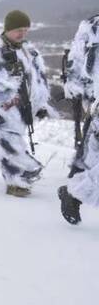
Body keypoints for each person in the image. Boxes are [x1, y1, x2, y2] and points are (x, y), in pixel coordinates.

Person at [0, 10, 56, 197]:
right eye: (18, 30)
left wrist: (41, 104)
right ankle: (17, 181)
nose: (22, 34)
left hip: (21, 105)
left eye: (25, 30)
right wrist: (7, 88)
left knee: (1, 136)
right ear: (7, 29)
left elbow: (38, 81)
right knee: (9, 137)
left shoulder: (28, 51)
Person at [58, 14, 99, 224]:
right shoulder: (92, 28)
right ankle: (74, 192)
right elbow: (76, 66)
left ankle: (74, 193)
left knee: (93, 161)